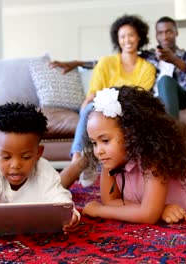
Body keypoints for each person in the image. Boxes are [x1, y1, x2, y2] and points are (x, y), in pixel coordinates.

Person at [81, 87, 186, 224]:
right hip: (173, 174)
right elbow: (110, 201)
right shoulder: (109, 159)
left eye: (105, 141)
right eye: (94, 143)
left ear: (131, 134)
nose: (98, 150)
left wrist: (99, 210)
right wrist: (161, 209)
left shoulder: (152, 160)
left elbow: (148, 215)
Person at [58, 14, 156, 189]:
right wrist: (85, 109)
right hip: (102, 107)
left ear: (139, 37)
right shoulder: (105, 62)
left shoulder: (147, 68)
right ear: (117, 40)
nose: (127, 40)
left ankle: (91, 162)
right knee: (89, 108)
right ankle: (78, 159)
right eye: (122, 36)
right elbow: (93, 93)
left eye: (131, 35)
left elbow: (137, 98)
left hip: (128, 109)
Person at [0, 103, 80, 241]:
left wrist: (71, 217)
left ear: (39, 153)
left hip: (20, 177)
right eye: (6, 157)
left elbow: (62, 203)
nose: (16, 165)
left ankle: (78, 163)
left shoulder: (44, 170)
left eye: (26, 157)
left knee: (57, 182)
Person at [51, 16, 186, 118]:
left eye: (169, 32)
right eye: (160, 33)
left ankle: (173, 133)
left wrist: (175, 60)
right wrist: (78, 63)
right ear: (156, 35)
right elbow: (114, 61)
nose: (164, 36)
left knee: (165, 81)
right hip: (157, 101)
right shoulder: (149, 57)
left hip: (180, 97)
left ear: (176, 33)